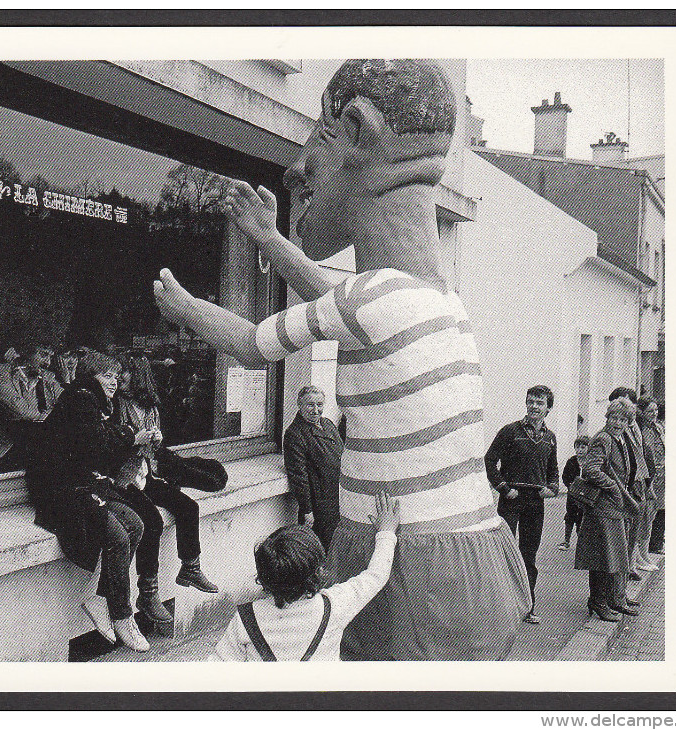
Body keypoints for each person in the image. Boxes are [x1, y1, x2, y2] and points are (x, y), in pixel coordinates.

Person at [155, 59, 530, 660]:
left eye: (321, 140)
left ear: (357, 131)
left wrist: (187, 308)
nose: (298, 168)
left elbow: (253, 342)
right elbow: (341, 307)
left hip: (406, 561)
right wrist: (270, 239)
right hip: (475, 553)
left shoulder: (367, 297)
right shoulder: (438, 299)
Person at [25, 349, 153, 652]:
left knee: (135, 524)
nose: (114, 380)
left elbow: (100, 443)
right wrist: (132, 438)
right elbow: (96, 445)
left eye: (115, 374)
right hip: (61, 490)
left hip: (81, 483)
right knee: (120, 537)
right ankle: (122, 615)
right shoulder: (81, 398)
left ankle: (99, 599)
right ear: (91, 376)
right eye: (107, 375)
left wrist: (128, 437)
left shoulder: (91, 400)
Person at [212, 492, 399, 661]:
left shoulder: (246, 617)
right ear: (317, 573)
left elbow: (215, 669)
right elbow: (376, 575)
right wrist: (386, 532)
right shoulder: (335, 605)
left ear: (263, 576)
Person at [113, 354, 219, 627]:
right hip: (122, 480)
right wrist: (133, 440)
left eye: (122, 372)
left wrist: (157, 442)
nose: (117, 377)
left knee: (188, 507)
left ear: (137, 375)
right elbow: (109, 449)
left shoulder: (150, 408)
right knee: (152, 522)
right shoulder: (115, 404)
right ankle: (148, 594)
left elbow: (154, 452)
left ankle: (190, 568)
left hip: (144, 475)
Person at [484, 386, 560, 624]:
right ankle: (501, 609)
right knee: (505, 554)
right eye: (531, 401)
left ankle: (527, 607)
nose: (534, 406)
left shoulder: (550, 437)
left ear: (548, 408)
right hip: (512, 501)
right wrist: (504, 488)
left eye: (539, 403)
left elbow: (553, 470)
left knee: (529, 555)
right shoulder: (510, 431)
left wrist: (553, 488)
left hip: (535, 502)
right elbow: (489, 460)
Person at [575, 397, 641, 621]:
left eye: (623, 419)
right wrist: (613, 486)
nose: (617, 422)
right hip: (603, 508)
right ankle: (598, 601)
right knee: (602, 557)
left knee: (611, 556)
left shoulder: (619, 438)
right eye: (614, 417)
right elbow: (590, 470)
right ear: (608, 417)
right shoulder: (604, 438)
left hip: (614, 508)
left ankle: (609, 599)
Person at [0, 343, 61, 476]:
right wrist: (49, 414)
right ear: (25, 352)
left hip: (27, 455)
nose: (47, 363)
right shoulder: (0, 374)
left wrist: (68, 378)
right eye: (43, 355)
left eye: (50, 357)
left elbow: (68, 404)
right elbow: (21, 411)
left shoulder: (47, 378)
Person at [284, 385, 343, 551]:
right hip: (319, 507)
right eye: (310, 405)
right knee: (319, 552)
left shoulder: (328, 424)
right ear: (299, 404)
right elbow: (298, 475)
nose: (316, 410)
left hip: (338, 500)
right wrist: (307, 510)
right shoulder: (295, 433)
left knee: (337, 549)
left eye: (320, 404)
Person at [608, 388, 655, 577]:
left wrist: (646, 483)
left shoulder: (635, 426)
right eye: (623, 402)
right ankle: (626, 572)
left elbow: (642, 455)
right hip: (624, 487)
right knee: (624, 534)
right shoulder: (615, 432)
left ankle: (631, 566)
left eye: (631, 403)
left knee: (636, 528)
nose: (629, 407)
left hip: (639, 483)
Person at [637, 397, 665, 557]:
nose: (654, 413)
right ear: (642, 412)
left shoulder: (658, 428)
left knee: (661, 511)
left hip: (663, 476)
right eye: (650, 411)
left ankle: (656, 543)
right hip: (651, 478)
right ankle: (645, 550)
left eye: (655, 410)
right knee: (647, 515)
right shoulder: (642, 431)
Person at [558, 435, 592, 550]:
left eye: (583, 447)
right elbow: (565, 476)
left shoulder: (591, 461)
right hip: (573, 494)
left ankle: (581, 541)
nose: (580, 450)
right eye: (577, 447)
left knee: (583, 517)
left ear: (589, 448)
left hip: (587, 495)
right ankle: (566, 540)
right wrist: (571, 486)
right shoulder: (572, 461)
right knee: (570, 515)